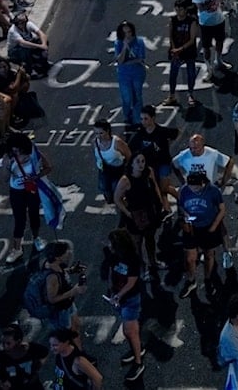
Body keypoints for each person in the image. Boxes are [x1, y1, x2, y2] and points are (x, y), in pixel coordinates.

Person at [2, 133, 52, 263]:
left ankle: (36, 238)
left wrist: (35, 177)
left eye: (18, 148)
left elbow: (48, 168)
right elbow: (5, 178)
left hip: (31, 190)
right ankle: (17, 248)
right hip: (16, 192)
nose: (16, 151)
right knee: (19, 219)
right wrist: (8, 167)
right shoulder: (8, 157)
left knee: (34, 215)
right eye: (13, 148)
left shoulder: (34, 154)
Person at [104, 228, 146, 381]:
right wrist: (111, 290)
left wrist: (118, 295)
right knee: (130, 331)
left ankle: (138, 362)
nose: (109, 245)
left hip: (130, 299)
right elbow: (110, 272)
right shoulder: (113, 255)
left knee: (130, 331)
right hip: (118, 297)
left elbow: (132, 281)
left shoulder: (132, 258)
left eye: (112, 243)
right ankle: (137, 350)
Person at [177, 170, 225, 300]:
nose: (194, 190)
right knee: (190, 258)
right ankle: (191, 281)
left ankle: (208, 280)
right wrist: (185, 215)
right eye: (192, 187)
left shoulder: (213, 191)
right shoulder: (184, 190)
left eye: (197, 187)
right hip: (191, 227)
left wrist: (214, 226)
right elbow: (180, 206)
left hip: (208, 227)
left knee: (209, 255)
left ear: (203, 183)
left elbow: (222, 209)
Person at [114, 153, 165, 272]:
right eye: (138, 161)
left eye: (143, 161)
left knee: (150, 239)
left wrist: (159, 202)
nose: (141, 164)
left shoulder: (148, 172)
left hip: (150, 211)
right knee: (137, 243)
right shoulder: (126, 180)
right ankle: (142, 268)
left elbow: (155, 186)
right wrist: (128, 213)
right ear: (131, 163)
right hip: (135, 214)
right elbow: (117, 198)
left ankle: (153, 262)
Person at [39, 242, 84, 335]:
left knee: (76, 325)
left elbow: (61, 272)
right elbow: (52, 299)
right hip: (60, 310)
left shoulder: (55, 265)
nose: (68, 253)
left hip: (67, 303)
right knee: (66, 335)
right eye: (65, 252)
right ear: (57, 257)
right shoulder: (52, 277)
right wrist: (73, 292)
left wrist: (71, 270)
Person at [192, 0, 229, 80]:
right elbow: (200, 8)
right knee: (206, 46)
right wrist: (213, 1)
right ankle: (209, 68)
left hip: (218, 18)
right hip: (206, 22)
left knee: (220, 41)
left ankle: (219, 60)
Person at [0, 324, 48, 390]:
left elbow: (45, 352)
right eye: (3, 343)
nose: (5, 347)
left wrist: (39, 366)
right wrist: (1, 384)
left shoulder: (31, 349)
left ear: (18, 341)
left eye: (8, 343)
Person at [163, 0, 200, 107]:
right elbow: (170, 36)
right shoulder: (173, 20)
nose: (179, 12)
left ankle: (191, 94)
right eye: (177, 9)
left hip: (188, 51)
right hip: (176, 51)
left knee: (191, 73)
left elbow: (192, 39)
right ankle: (172, 95)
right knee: (173, 74)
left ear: (185, 10)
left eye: (181, 9)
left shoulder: (191, 21)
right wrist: (174, 49)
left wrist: (180, 49)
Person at [113, 20, 147, 127]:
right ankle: (127, 115)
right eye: (125, 33)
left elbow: (141, 58)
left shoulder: (139, 41)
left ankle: (137, 118)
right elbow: (120, 60)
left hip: (137, 73)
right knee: (126, 96)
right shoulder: (118, 43)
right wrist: (124, 47)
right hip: (124, 74)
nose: (127, 35)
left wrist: (126, 62)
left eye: (129, 32)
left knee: (137, 95)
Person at [92, 118, 131, 204]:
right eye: (96, 133)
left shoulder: (117, 142)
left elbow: (128, 155)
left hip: (117, 171)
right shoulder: (95, 142)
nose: (99, 136)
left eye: (101, 133)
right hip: (104, 171)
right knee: (107, 192)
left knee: (118, 193)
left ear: (108, 131)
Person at [7, 13, 50, 78]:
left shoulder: (28, 24)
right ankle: (30, 70)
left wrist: (43, 44)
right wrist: (40, 46)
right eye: (20, 23)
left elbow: (41, 34)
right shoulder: (13, 31)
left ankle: (43, 61)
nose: (23, 24)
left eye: (24, 22)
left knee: (42, 41)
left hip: (28, 42)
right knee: (25, 48)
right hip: (15, 50)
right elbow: (23, 42)